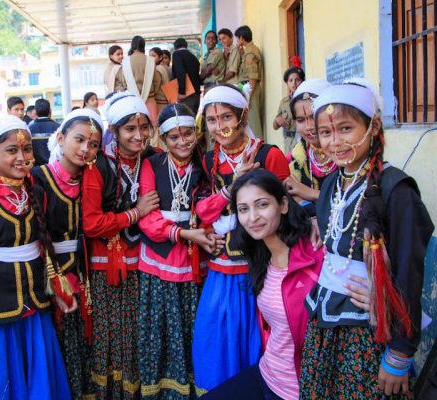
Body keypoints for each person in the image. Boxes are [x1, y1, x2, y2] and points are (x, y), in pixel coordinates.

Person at [300, 80, 434, 398]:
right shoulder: (332, 183)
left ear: (372, 127)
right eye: (326, 132)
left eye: (345, 128)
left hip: (368, 333)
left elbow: (408, 273)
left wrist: (400, 353)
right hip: (325, 325)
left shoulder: (396, 190)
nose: (335, 142)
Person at [203, 169, 371, 399]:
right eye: (243, 209)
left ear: (283, 205)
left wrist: (379, 304)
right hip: (268, 375)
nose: (252, 217)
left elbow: (373, 301)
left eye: (262, 205)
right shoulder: (260, 257)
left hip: (304, 389)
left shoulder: (319, 256)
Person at [0, 115, 71, 399]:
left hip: (35, 312)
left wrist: (56, 290)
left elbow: (42, 246)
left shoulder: (35, 192)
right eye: (11, 150)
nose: (22, 157)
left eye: (27, 150)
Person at [192, 84, 290, 395]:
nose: (219, 127)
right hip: (221, 269)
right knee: (215, 339)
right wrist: (230, 189)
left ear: (243, 115)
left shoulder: (268, 154)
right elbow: (203, 212)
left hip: (259, 267)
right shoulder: (209, 160)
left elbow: (287, 208)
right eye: (211, 120)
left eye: (226, 117)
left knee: (258, 339)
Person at [137, 103, 220, 399]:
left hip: (195, 254)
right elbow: (147, 217)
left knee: (193, 325)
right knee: (161, 327)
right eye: (174, 137)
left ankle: (195, 386)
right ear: (163, 140)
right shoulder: (152, 165)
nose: (182, 141)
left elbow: (212, 207)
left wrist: (204, 236)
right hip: (161, 254)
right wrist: (184, 233)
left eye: (187, 134)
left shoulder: (206, 163)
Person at [82, 92, 160, 399]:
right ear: (113, 130)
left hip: (141, 261)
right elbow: (91, 223)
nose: (138, 135)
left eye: (143, 128)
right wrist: (135, 213)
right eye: (129, 129)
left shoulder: (150, 158)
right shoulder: (98, 166)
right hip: (106, 266)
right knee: (110, 335)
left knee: (134, 334)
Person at [32, 108, 103, 400]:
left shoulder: (94, 177)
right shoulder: (38, 177)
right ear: (60, 138)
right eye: (79, 140)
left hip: (84, 269)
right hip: (50, 272)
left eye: (94, 144)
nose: (86, 149)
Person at [282, 78, 335, 217]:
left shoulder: (347, 155)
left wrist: (311, 193)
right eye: (300, 120)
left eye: (314, 117)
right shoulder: (293, 161)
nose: (309, 127)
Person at [114, 35, 163, 123]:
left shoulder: (125, 62)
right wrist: (151, 91)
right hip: (150, 99)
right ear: (143, 45)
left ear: (132, 45)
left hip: (132, 101)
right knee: (152, 126)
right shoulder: (150, 60)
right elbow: (157, 80)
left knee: (133, 126)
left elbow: (121, 81)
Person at [235, 26, 264, 139]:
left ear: (242, 38)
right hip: (250, 87)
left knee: (253, 121)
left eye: (238, 38)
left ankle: (259, 147)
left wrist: (249, 95)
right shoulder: (248, 50)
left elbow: (252, 75)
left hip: (251, 88)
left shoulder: (250, 53)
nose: (237, 41)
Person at [273, 66, 305, 154]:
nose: (294, 83)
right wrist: (277, 119)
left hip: (302, 141)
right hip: (288, 143)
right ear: (287, 83)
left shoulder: (306, 99)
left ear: (302, 81)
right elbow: (275, 127)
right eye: (290, 80)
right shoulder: (284, 102)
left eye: (297, 80)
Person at [171, 38, 201, 115]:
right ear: (186, 46)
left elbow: (180, 72)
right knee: (192, 120)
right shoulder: (193, 57)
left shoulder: (176, 54)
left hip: (187, 95)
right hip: (196, 94)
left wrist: (182, 92)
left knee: (185, 120)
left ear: (175, 47)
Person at [30, 98, 60, 166]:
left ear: (36, 112)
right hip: (55, 168)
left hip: (37, 169)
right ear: (50, 111)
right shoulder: (59, 128)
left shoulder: (29, 129)